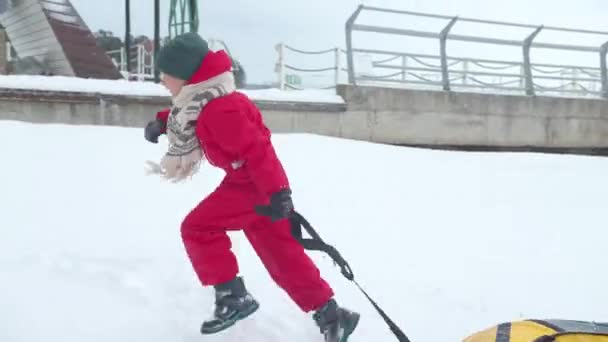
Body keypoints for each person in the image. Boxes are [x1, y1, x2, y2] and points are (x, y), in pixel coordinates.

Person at [143, 32, 360, 342]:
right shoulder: (209, 97)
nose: (163, 80)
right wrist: (164, 123)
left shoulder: (221, 109)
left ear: (187, 75)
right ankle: (332, 315)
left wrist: (278, 192)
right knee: (282, 258)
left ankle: (233, 297)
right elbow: (188, 116)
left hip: (252, 187)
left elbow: (258, 151)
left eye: (167, 74)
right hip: (256, 187)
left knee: (197, 227)